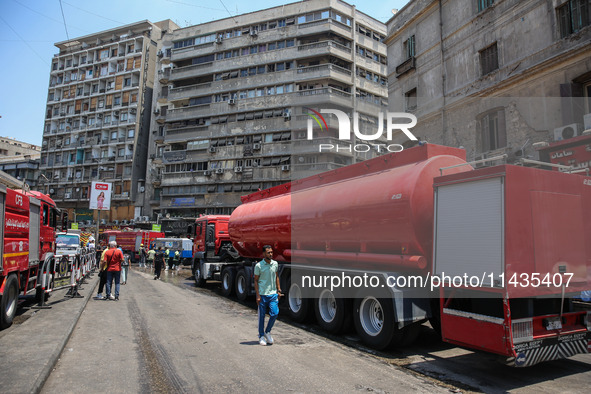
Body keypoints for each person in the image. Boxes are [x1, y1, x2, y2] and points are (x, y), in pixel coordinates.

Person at [254, 245, 282, 346]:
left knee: (274, 313)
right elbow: (256, 281)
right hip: (262, 294)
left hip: (273, 294)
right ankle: (261, 336)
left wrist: (278, 289)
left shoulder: (275, 264)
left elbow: (276, 276)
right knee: (261, 316)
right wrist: (257, 295)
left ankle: (267, 331)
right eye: (268, 252)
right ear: (264, 254)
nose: (271, 254)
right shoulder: (259, 266)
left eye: (271, 252)